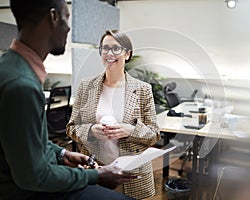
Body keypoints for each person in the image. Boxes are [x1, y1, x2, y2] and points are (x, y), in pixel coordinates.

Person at [0, 1, 134, 200]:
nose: (69, 27)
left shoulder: (13, 69)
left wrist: (61, 153)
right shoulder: (22, 85)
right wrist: (95, 175)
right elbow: (34, 176)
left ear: (127, 54)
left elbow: (30, 143)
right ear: (53, 17)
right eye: (67, 17)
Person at [67, 30, 161, 199]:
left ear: (127, 54)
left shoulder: (142, 89)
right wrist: (90, 130)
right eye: (105, 48)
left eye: (116, 49)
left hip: (130, 173)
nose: (109, 53)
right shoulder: (86, 86)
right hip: (95, 170)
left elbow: (154, 134)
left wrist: (130, 130)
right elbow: (71, 128)